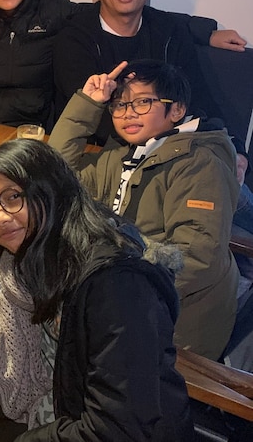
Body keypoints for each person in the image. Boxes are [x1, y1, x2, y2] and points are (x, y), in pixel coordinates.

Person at [0, 139, 193, 440]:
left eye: (13, 197)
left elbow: (117, 428)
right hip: (60, 402)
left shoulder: (116, 287)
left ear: (50, 191)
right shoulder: (51, 237)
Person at [48, 60, 240, 360]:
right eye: (119, 105)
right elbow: (56, 177)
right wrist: (88, 103)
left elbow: (197, 258)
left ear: (176, 110)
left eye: (142, 102)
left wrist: (112, 297)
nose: (128, 114)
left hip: (174, 326)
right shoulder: (122, 154)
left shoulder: (199, 163)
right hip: (121, 292)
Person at [53, 0, 247, 143]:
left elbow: (198, 99)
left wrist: (235, 149)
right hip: (95, 154)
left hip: (164, 151)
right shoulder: (73, 38)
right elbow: (90, 118)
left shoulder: (170, 33)